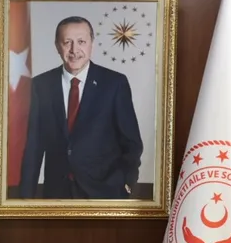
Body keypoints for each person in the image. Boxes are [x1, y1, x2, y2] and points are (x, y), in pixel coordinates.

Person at [16, 15, 144, 199]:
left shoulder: (115, 84)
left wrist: (126, 184)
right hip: (56, 194)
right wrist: (25, 200)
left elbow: (132, 143)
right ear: (57, 46)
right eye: (67, 42)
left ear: (92, 43)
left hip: (105, 193)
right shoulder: (40, 85)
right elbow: (34, 147)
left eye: (81, 41)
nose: (74, 50)